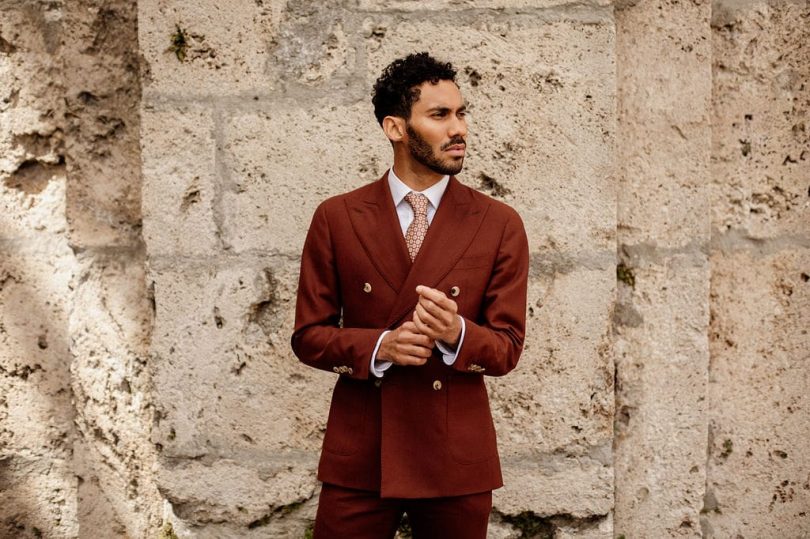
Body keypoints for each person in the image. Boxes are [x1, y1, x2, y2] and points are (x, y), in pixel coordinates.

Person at [291, 52, 529, 538]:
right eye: (440, 115)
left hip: (454, 455)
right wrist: (382, 347)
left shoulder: (498, 223)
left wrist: (455, 332)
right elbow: (308, 337)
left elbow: (507, 349)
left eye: (461, 113)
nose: (458, 128)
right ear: (395, 128)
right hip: (361, 454)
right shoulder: (337, 218)